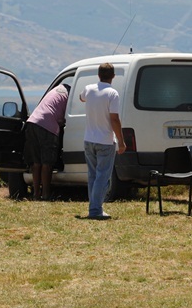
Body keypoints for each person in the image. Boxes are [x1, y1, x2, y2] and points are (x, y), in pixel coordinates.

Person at [79, 63, 126, 220]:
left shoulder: (89, 89)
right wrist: (121, 141)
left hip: (89, 139)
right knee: (102, 177)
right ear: (113, 76)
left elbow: (81, 97)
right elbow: (114, 119)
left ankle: (94, 206)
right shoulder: (113, 94)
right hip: (105, 140)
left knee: (93, 175)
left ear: (99, 75)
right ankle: (95, 210)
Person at [23, 83, 70, 200]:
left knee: (36, 162)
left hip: (32, 122)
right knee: (47, 163)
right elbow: (64, 118)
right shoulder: (68, 96)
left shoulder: (55, 91)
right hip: (47, 125)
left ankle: (36, 194)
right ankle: (46, 194)